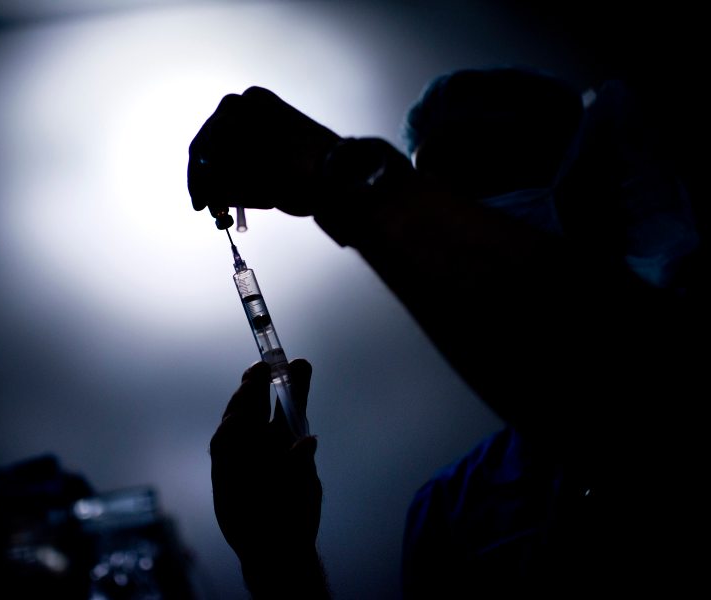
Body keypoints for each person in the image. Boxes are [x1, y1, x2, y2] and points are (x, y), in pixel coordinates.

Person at [188, 64, 706, 598]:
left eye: (488, 177)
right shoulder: (453, 512)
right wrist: (280, 562)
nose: (439, 231)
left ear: (594, 185)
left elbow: (630, 425)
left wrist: (334, 172)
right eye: (436, 192)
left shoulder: (678, 399)